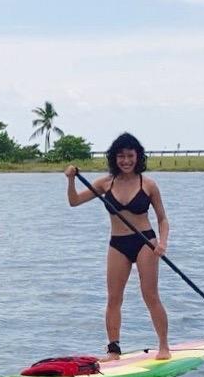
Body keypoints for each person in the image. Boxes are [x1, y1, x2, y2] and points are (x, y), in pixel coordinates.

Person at [64, 132, 171, 360]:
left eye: (130, 156)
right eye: (121, 156)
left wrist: (162, 243)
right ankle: (113, 351)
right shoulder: (105, 183)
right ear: (114, 158)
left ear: (138, 157)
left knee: (150, 295)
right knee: (114, 298)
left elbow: (162, 218)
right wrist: (71, 179)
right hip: (118, 243)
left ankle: (163, 346)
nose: (126, 161)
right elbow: (74, 202)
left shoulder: (149, 184)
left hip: (145, 241)